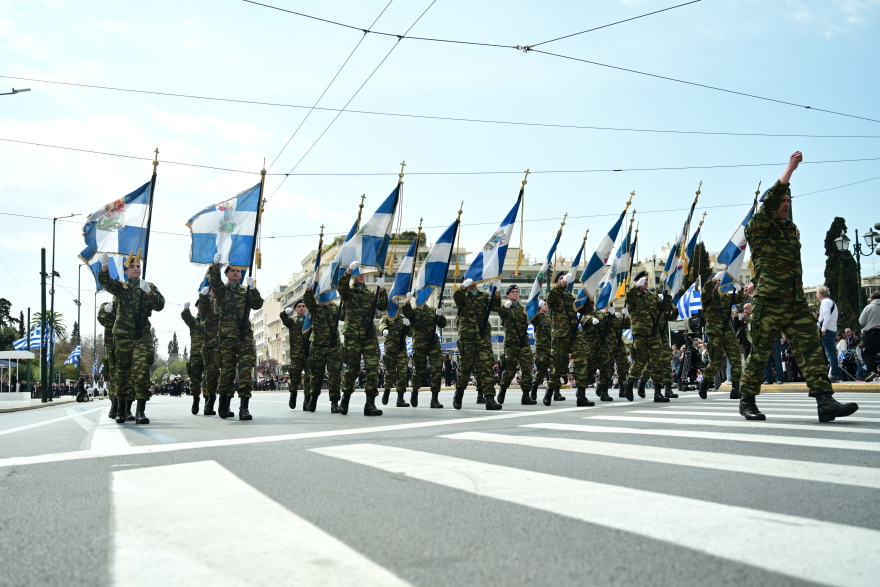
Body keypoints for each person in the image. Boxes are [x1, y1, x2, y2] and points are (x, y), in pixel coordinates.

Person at [739, 151, 858, 421]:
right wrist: (790, 170)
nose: (785, 204)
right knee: (760, 353)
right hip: (769, 303)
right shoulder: (758, 227)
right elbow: (770, 202)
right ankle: (747, 400)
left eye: (788, 200)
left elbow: (777, 265)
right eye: (781, 200)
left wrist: (757, 281)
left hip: (794, 303)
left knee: (811, 350)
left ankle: (825, 402)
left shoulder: (791, 230)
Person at [98, 253, 164, 424]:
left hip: (142, 335)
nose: (136, 269)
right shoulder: (121, 288)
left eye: (138, 266)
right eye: (132, 267)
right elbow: (106, 282)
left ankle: (140, 411)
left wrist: (148, 292)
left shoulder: (149, 286)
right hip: (123, 336)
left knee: (142, 372)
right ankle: (121, 410)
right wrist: (104, 267)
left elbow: (160, 305)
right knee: (122, 373)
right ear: (126, 271)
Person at [208, 255, 264, 420]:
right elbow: (215, 282)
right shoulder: (222, 291)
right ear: (226, 274)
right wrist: (215, 265)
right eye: (232, 270)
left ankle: (244, 408)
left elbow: (258, 304)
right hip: (227, 337)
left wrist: (253, 288)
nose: (236, 273)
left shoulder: (245, 291)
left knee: (246, 371)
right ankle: (224, 404)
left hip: (244, 335)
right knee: (227, 372)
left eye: (238, 271)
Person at [337, 263, 386, 416]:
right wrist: (349, 270)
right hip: (353, 336)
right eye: (358, 274)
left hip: (369, 336)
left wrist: (382, 290)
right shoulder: (348, 293)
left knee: (372, 369)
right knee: (352, 369)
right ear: (354, 277)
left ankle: (370, 404)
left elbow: (383, 305)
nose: (362, 276)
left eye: (363, 274)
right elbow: (341, 286)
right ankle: (345, 398)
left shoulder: (371, 293)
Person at [624, 270, 675, 402]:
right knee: (640, 361)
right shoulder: (634, 296)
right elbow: (629, 297)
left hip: (654, 333)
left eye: (647, 280)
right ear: (637, 281)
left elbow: (664, 309)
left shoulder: (653, 296)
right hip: (640, 333)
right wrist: (636, 287)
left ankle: (657, 392)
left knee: (657, 362)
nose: (645, 282)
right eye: (643, 280)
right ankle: (629, 383)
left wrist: (668, 297)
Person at [452, 279, 501, 410]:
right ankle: (458, 394)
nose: (473, 281)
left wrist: (497, 291)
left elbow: (496, 307)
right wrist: (463, 287)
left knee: (486, 367)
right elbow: (457, 299)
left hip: (483, 337)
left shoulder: (483, 295)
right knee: (465, 368)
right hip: (468, 338)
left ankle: (490, 399)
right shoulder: (462, 295)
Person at [547, 271, 593, 407]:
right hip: (560, 335)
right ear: (556, 282)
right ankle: (549, 391)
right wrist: (560, 286)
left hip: (574, 333)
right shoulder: (554, 296)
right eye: (561, 279)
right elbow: (550, 299)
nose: (565, 281)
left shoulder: (571, 297)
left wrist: (589, 299)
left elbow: (584, 311)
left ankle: (581, 395)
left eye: (566, 279)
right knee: (559, 366)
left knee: (581, 361)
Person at [699, 272, 747, 400]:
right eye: (717, 281)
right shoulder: (707, 298)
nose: (719, 283)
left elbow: (741, 297)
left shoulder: (725, 297)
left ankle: (735, 388)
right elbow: (705, 290)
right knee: (716, 361)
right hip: (715, 332)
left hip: (728, 331)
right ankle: (705, 381)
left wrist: (739, 286)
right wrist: (713, 280)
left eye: (720, 281)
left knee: (736, 358)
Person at [401, 292, 447, 408]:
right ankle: (415, 390)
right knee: (420, 370)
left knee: (437, 369)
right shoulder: (413, 311)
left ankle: (434, 399)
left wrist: (440, 315)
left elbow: (442, 324)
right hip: (419, 344)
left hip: (433, 343)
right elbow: (406, 312)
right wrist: (407, 302)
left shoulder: (432, 310)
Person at [496, 284, 537, 405]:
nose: (515, 293)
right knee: (510, 369)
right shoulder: (505, 308)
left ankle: (526, 395)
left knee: (527, 368)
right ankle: (503, 389)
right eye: (512, 292)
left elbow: (532, 319)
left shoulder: (523, 309)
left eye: (517, 292)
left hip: (523, 341)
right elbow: (500, 313)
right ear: (507, 295)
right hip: (511, 343)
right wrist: (505, 307)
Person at [280, 298, 311, 410]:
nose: (301, 308)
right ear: (295, 309)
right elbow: (283, 318)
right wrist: (286, 312)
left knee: (309, 378)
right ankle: (293, 396)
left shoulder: (310, 321)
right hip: (296, 355)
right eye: (299, 306)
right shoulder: (292, 323)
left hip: (309, 354)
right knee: (295, 378)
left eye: (303, 306)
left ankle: (307, 401)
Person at [379, 310, 411, 407]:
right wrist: (384, 329)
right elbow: (382, 325)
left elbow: (410, 333)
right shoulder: (386, 318)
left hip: (401, 349)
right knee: (390, 372)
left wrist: (408, 325)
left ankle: (400, 399)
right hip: (390, 349)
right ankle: (387, 391)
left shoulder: (402, 318)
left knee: (402, 373)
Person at [198, 282, 220, 415]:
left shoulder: (227, 302)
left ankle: (226, 405)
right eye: (213, 290)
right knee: (211, 375)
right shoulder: (209, 304)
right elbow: (202, 309)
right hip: (211, 345)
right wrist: (203, 296)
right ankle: (210, 401)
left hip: (227, 342)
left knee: (227, 374)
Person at [181, 299, 206, 415]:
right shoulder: (194, 322)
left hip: (209, 352)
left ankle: (208, 401)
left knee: (209, 378)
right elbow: (186, 317)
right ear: (197, 307)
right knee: (195, 379)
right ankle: (196, 399)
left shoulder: (211, 319)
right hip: (196, 354)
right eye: (200, 305)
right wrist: (186, 309)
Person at [97, 301, 120, 419]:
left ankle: (125, 407)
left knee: (126, 376)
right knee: (112, 376)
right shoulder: (109, 306)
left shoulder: (129, 305)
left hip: (126, 346)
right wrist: (106, 310)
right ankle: (114, 403)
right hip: (111, 347)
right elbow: (100, 318)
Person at [816, 285, 841, 382]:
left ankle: (834, 374)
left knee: (830, 354)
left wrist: (823, 330)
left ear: (820, 294)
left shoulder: (825, 302)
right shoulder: (830, 302)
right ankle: (833, 373)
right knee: (830, 353)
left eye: (817, 293)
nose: (816, 295)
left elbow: (826, 317)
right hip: (831, 329)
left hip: (827, 331)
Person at [529, 299, 552, 402]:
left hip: (552, 347)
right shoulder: (537, 317)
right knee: (542, 370)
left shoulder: (550, 317)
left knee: (555, 370)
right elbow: (530, 316)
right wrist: (535, 307)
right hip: (542, 347)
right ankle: (534, 388)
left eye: (547, 304)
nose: (546, 306)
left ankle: (554, 392)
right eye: (544, 304)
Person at [859, 291, 880, 381]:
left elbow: (861, 321)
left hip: (872, 332)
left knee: (868, 352)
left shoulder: (868, 307)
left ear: (871, 298)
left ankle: (872, 371)